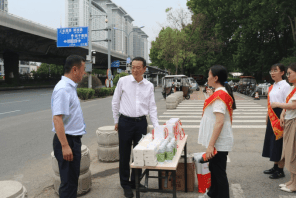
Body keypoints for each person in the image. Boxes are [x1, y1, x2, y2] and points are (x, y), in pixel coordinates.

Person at [112, 57, 159, 198]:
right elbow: (115, 101)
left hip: (141, 123)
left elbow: (152, 107)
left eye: (138, 67)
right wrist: (116, 120)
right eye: (132, 67)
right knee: (125, 154)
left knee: (139, 154)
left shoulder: (149, 86)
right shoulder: (123, 81)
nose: (135, 70)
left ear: (144, 69)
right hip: (125, 122)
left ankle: (135, 182)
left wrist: (156, 126)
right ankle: (125, 184)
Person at [198, 65, 236, 198]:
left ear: (215, 78)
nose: (207, 77)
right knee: (213, 169)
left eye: (209, 75)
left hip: (218, 142)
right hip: (217, 141)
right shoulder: (219, 93)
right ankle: (213, 194)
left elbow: (219, 122)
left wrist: (210, 145)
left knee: (219, 173)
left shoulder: (220, 96)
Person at [51, 55, 86, 198]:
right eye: (83, 70)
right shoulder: (63, 89)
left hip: (72, 140)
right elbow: (57, 118)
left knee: (72, 180)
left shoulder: (70, 87)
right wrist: (65, 146)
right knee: (68, 183)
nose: (84, 73)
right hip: (67, 141)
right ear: (75, 69)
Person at [262, 63, 290, 179]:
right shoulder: (272, 85)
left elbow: (288, 103)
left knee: (280, 142)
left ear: (282, 72)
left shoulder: (285, 86)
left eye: (275, 70)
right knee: (273, 142)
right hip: (272, 114)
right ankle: (275, 166)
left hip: (281, 115)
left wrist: (283, 116)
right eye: (271, 71)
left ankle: (280, 170)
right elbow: (270, 103)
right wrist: (267, 116)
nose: (272, 73)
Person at [271, 63, 296, 192]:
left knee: (292, 153)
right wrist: (282, 113)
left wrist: (278, 106)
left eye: (289, 73)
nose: (288, 75)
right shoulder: (293, 87)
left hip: (293, 122)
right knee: (289, 151)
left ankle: (294, 184)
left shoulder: (291, 87)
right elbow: (289, 103)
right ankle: (292, 180)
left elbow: (293, 105)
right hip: (287, 118)